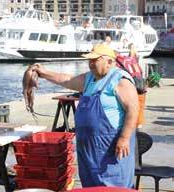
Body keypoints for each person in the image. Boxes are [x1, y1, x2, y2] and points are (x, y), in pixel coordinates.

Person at [34, 44, 138, 188]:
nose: (91, 64)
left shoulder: (121, 80)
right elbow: (67, 80)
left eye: (95, 60)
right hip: (88, 149)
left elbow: (133, 110)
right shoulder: (89, 78)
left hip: (111, 147)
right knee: (90, 186)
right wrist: (43, 73)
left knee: (113, 187)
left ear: (109, 62)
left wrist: (124, 138)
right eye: (89, 60)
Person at [128, 43, 146, 129]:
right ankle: (139, 124)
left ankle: (137, 124)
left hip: (136, 86)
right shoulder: (135, 62)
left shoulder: (129, 61)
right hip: (140, 86)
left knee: (136, 106)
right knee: (140, 106)